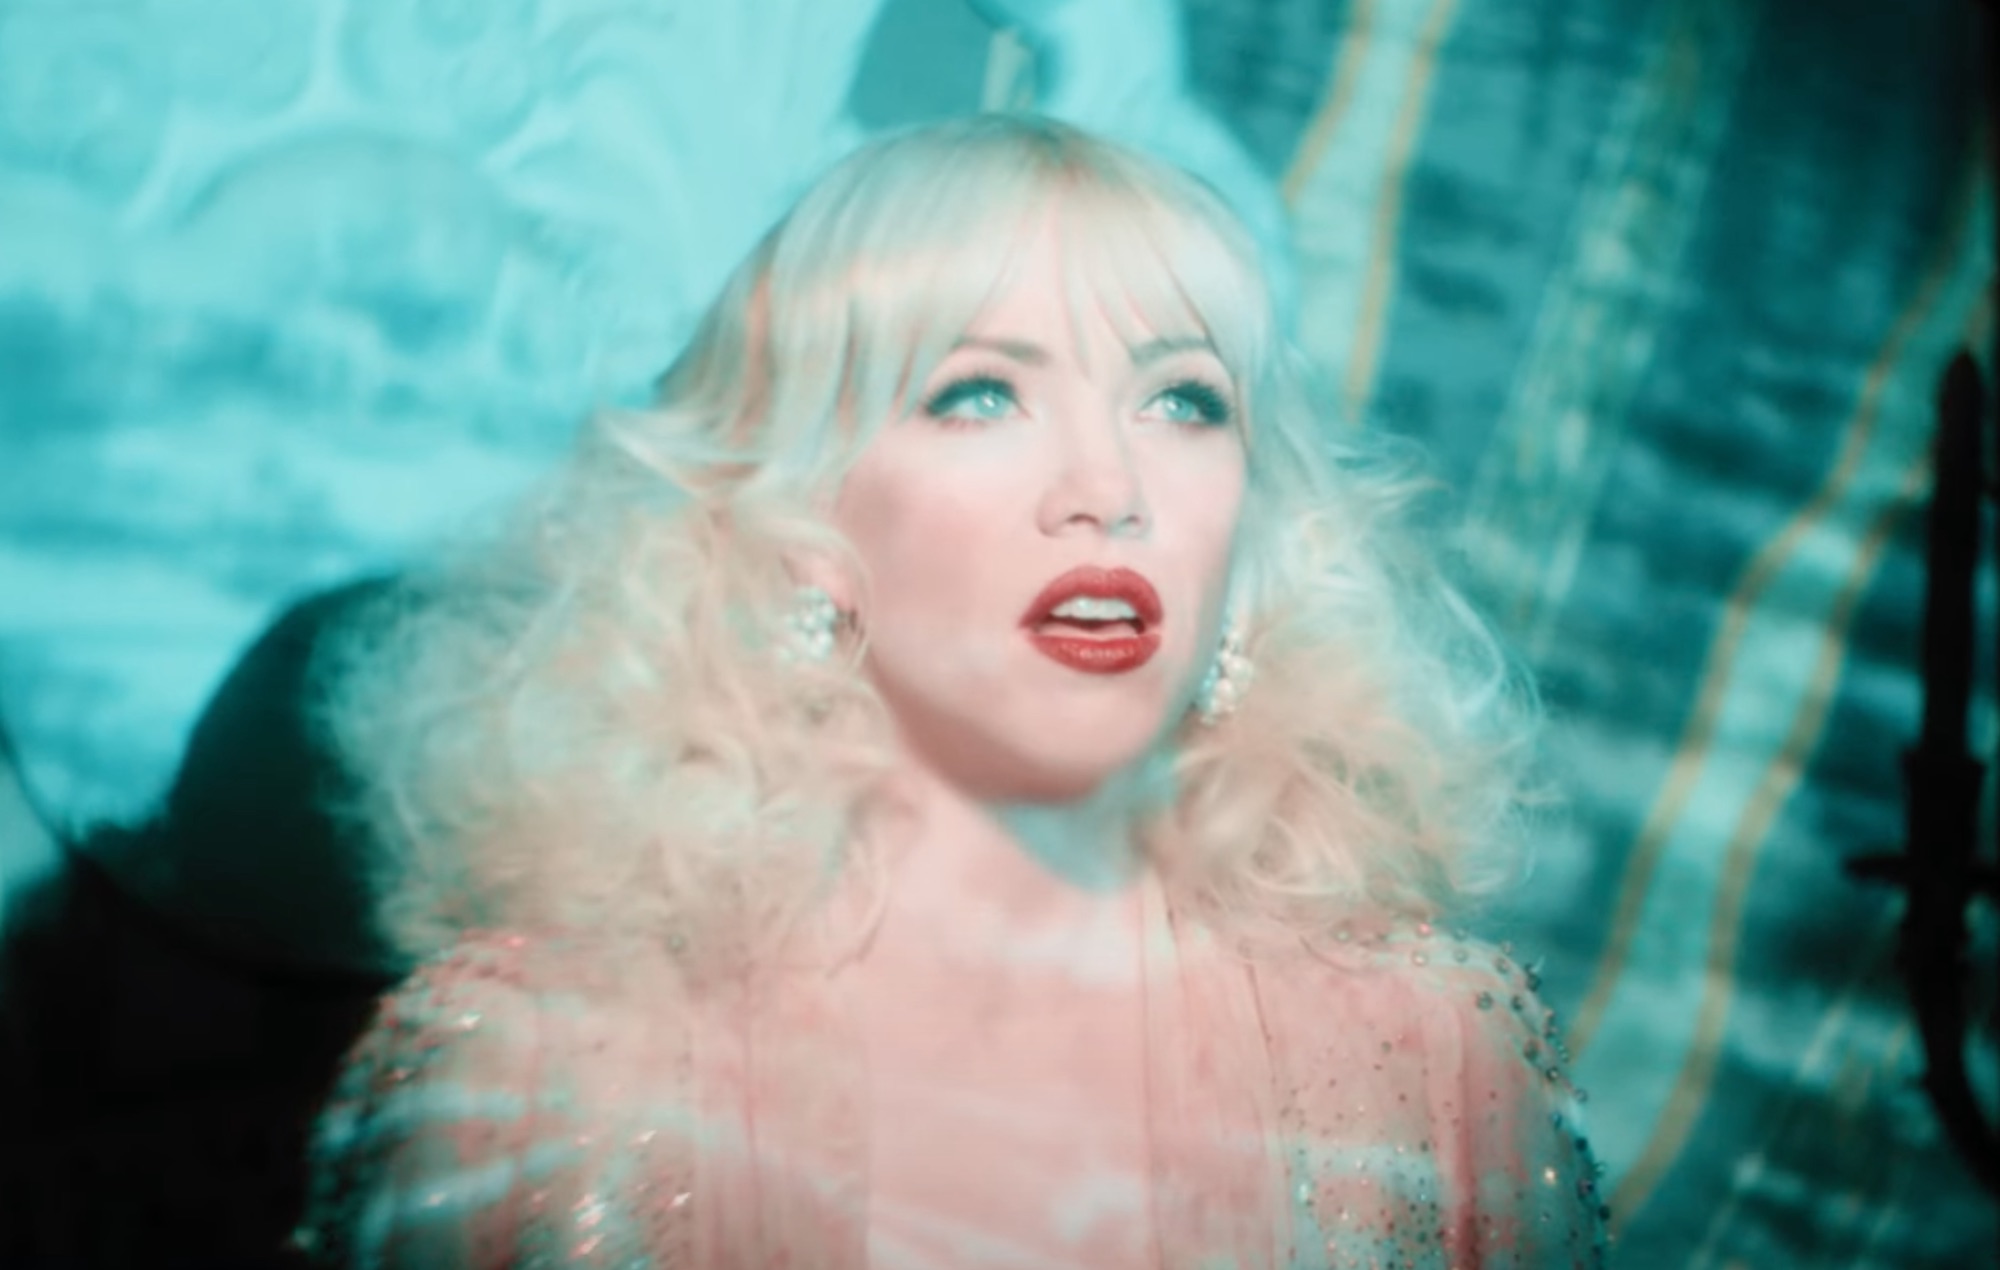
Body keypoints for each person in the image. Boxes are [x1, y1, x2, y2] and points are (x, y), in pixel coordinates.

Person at [291, 113, 1610, 1269]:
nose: (1108, 487)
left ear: (1254, 528)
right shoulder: (529, 1070)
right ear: (802, 522)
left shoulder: (1441, 1066)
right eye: (981, 393)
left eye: (1183, 402)